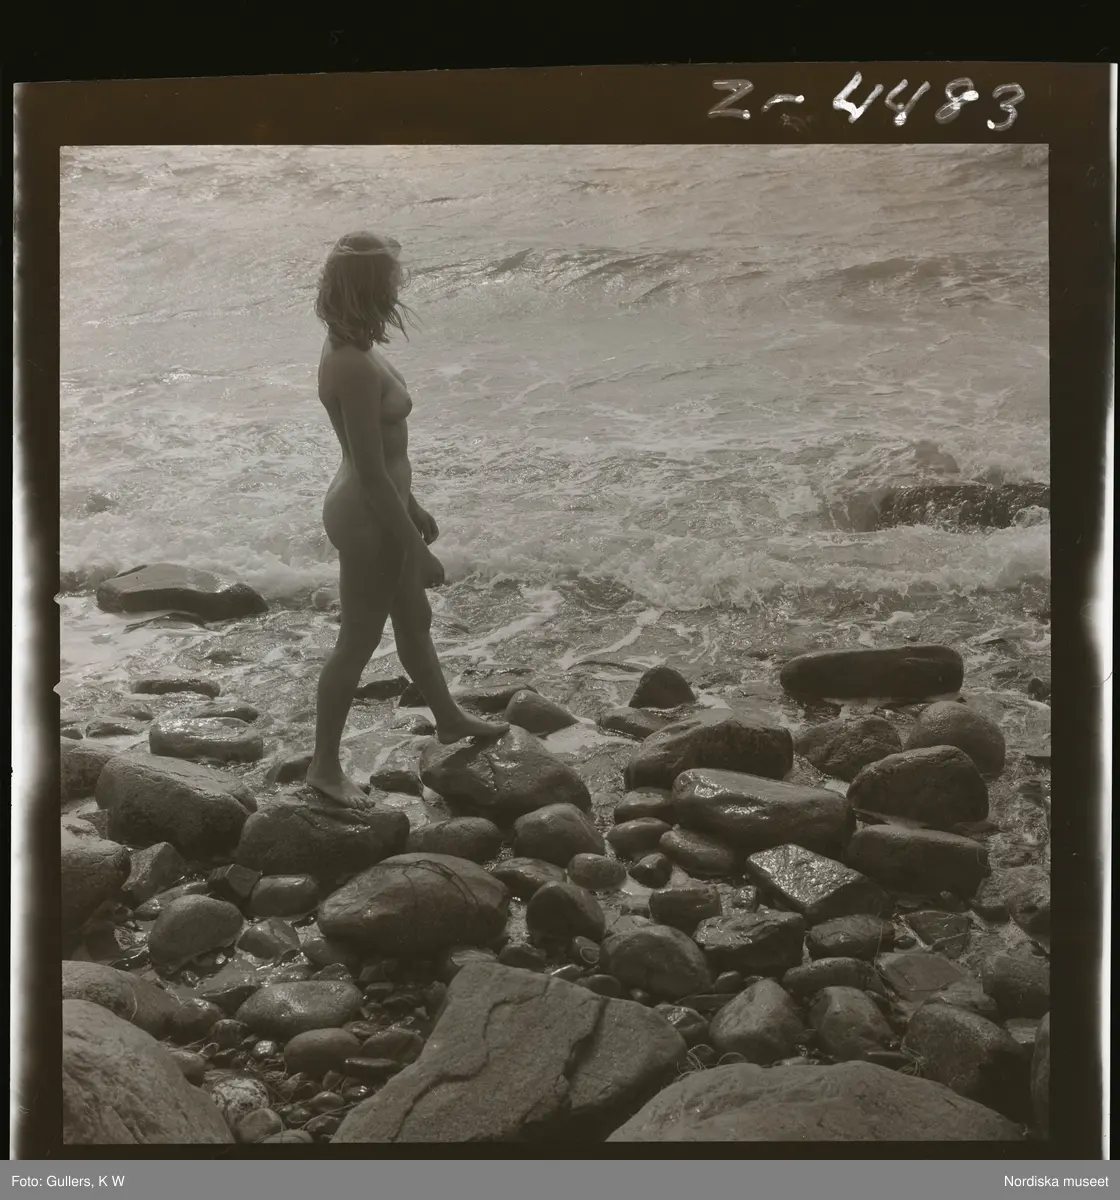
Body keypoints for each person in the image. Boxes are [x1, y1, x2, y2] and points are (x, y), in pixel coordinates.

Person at [306, 231, 508, 805]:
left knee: (414, 619)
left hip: (382, 507)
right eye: (393, 276)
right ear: (372, 285)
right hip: (366, 515)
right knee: (357, 640)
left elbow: (384, 458)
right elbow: (370, 471)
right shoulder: (351, 364)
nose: (400, 284)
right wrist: (416, 550)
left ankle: (448, 718)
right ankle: (323, 767)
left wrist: (413, 504)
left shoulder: (360, 347)